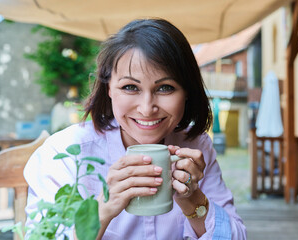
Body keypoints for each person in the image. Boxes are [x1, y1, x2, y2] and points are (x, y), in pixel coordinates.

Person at [24, 18, 247, 239]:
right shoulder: (65, 153)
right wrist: (102, 210)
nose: (147, 108)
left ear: (186, 91)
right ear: (108, 87)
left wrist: (192, 199)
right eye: (130, 87)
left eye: (165, 88)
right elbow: (44, 235)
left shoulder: (195, 147)